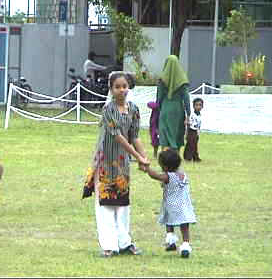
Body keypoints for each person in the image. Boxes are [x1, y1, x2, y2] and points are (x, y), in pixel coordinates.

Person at [82, 71, 150, 258]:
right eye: (117, 87)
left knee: (122, 204)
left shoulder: (134, 109)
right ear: (111, 90)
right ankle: (109, 245)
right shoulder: (108, 110)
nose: (122, 90)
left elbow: (134, 136)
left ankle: (124, 242)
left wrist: (144, 157)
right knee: (105, 204)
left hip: (122, 164)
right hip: (105, 163)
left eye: (124, 86)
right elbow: (119, 137)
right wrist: (138, 156)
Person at [143, 149, 196, 258]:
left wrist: (147, 168)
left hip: (171, 205)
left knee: (169, 222)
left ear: (165, 167)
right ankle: (185, 244)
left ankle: (171, 240)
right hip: (184, 206)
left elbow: (155, 176)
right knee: (184, 225)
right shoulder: (183, 175)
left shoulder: (168, 176)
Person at [158, 55, 191, 153]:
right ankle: (176, 155)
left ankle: (165, 153)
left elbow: (158, 98)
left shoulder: (161, 81)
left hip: (165, 108)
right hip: (178, 109)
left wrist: (160, 108)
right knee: (176, 132)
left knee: (165, 131)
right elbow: (186, 98)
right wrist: (188, 113)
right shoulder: (183, 81)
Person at [184, 98, 204, 162]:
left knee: (195, 144)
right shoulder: (192, 115)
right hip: (191, 130)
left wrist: (198, 132)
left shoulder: (200, 115)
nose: (198, 107)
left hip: (196, 131)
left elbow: (198, 125)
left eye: (200, 105)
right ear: (193, 106)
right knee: (190, 145)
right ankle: (188, 157)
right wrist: (187, 133)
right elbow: (188, 124)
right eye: (196, 105)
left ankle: (195, 157)